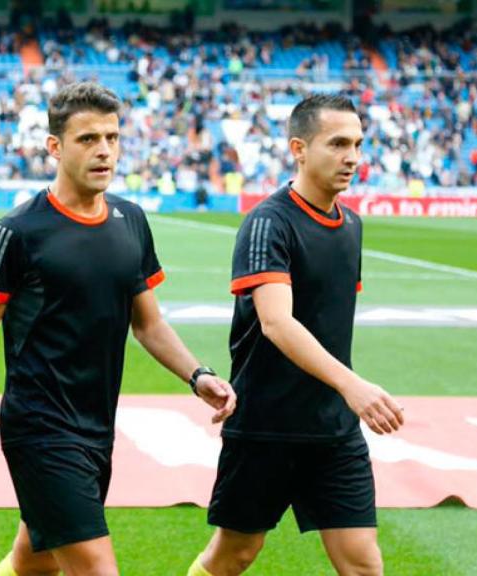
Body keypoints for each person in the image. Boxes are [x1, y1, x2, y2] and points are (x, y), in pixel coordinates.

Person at [0, 82, 237, 576]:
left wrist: (198, 375)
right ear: (55, 147)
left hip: (97, 426)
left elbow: (149, 324)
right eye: (88, 139)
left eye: (112, 138)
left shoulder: (130, 221)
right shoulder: (16, 234)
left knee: (35, 561)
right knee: (95, 568)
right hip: (40, 430)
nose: (104, 151)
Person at [187, 94, 406, 576]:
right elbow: (276, 322)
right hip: (266, 425)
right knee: (233, 555)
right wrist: (353, 385)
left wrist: (342, 396)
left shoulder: (351, 225)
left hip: (333, 430)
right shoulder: (269, 222)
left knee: (364, 563)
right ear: (299, 149)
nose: (352, 156)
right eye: (338, 143)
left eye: (358, 144)